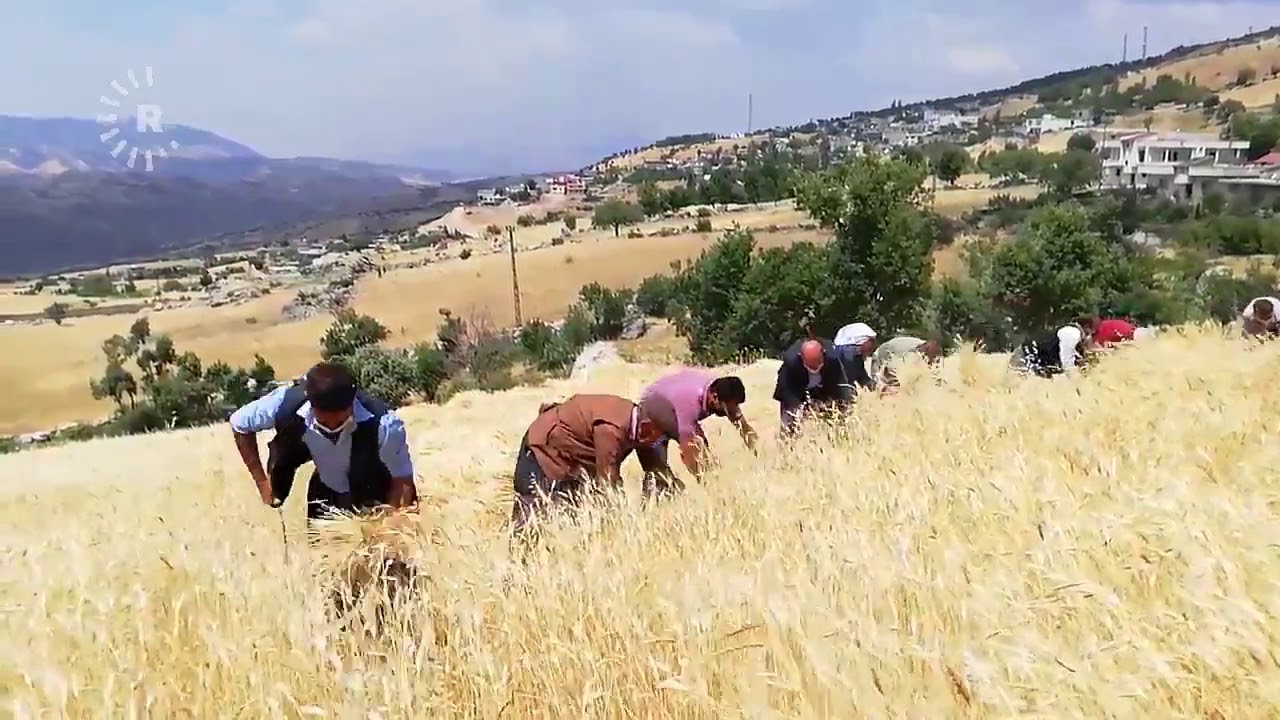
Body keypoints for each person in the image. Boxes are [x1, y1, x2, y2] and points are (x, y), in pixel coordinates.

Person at [230, 362, 418, 524]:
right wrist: (263, 483)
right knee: (325, 562)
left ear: (351, 404)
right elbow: (240, 424)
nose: (333, 427)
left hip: (377, 493)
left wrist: (390, 527)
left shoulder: (384, 425)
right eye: (325, 421)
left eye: (340, 421)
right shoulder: (285, 403)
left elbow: (402, 481)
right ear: (312, 405)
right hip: (325, 495)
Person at [511, 393, 679, 538]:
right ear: (648, 427)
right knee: (532, 511)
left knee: (573, 515)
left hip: (574, 459)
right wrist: (622, 526)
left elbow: (656, 470)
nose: (661, 443)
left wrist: (673, 490)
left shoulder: (642, 426)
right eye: (662, 437)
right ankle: (518, 565)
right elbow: (607, 482)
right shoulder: (612, 429)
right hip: (542, 446)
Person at [636, 370, 757, 501]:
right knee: (656, 471)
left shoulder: (723, 394)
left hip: (672, 405)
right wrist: (712, 487)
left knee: (705, 455)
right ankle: (654, 504)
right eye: (726, 407)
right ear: (714, 397)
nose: (730, 411)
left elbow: (744, 427)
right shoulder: (690, 402)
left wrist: (757, 452)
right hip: (651, 414)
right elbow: (690, 449)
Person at [773, 338, 855, 438]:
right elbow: (788, 392)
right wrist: (800, 410)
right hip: (796, 390)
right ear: (801, 357)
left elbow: (841, 387)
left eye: (818, 363)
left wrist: (844, 408)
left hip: (824, 389)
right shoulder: (791, 362)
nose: (815, 369)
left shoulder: (832, 359)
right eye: (811, 365)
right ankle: (787, 447)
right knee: (790, 422)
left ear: (823, 355)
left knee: (837, 417)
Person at [1009, 319, 1092, 379]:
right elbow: (1066, 361)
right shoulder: (1072, 333)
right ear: (1087, 328)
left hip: (1030, 356)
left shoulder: (1072, 334)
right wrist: (1077, 382)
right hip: (1027, 357)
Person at [870, 336, 942, 390]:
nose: (930, 362)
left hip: (893, 357)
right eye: (930, 358)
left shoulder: (928, 349)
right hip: (880, 358)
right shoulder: (904, 353)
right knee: (880, 387)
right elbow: (891, 374)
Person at [832, 322, 878, 395]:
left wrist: (878, 387)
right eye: (871, 342)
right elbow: (858, 378)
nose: (873, 347)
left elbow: (862, 377)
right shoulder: (849, 356)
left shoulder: (854, 357)